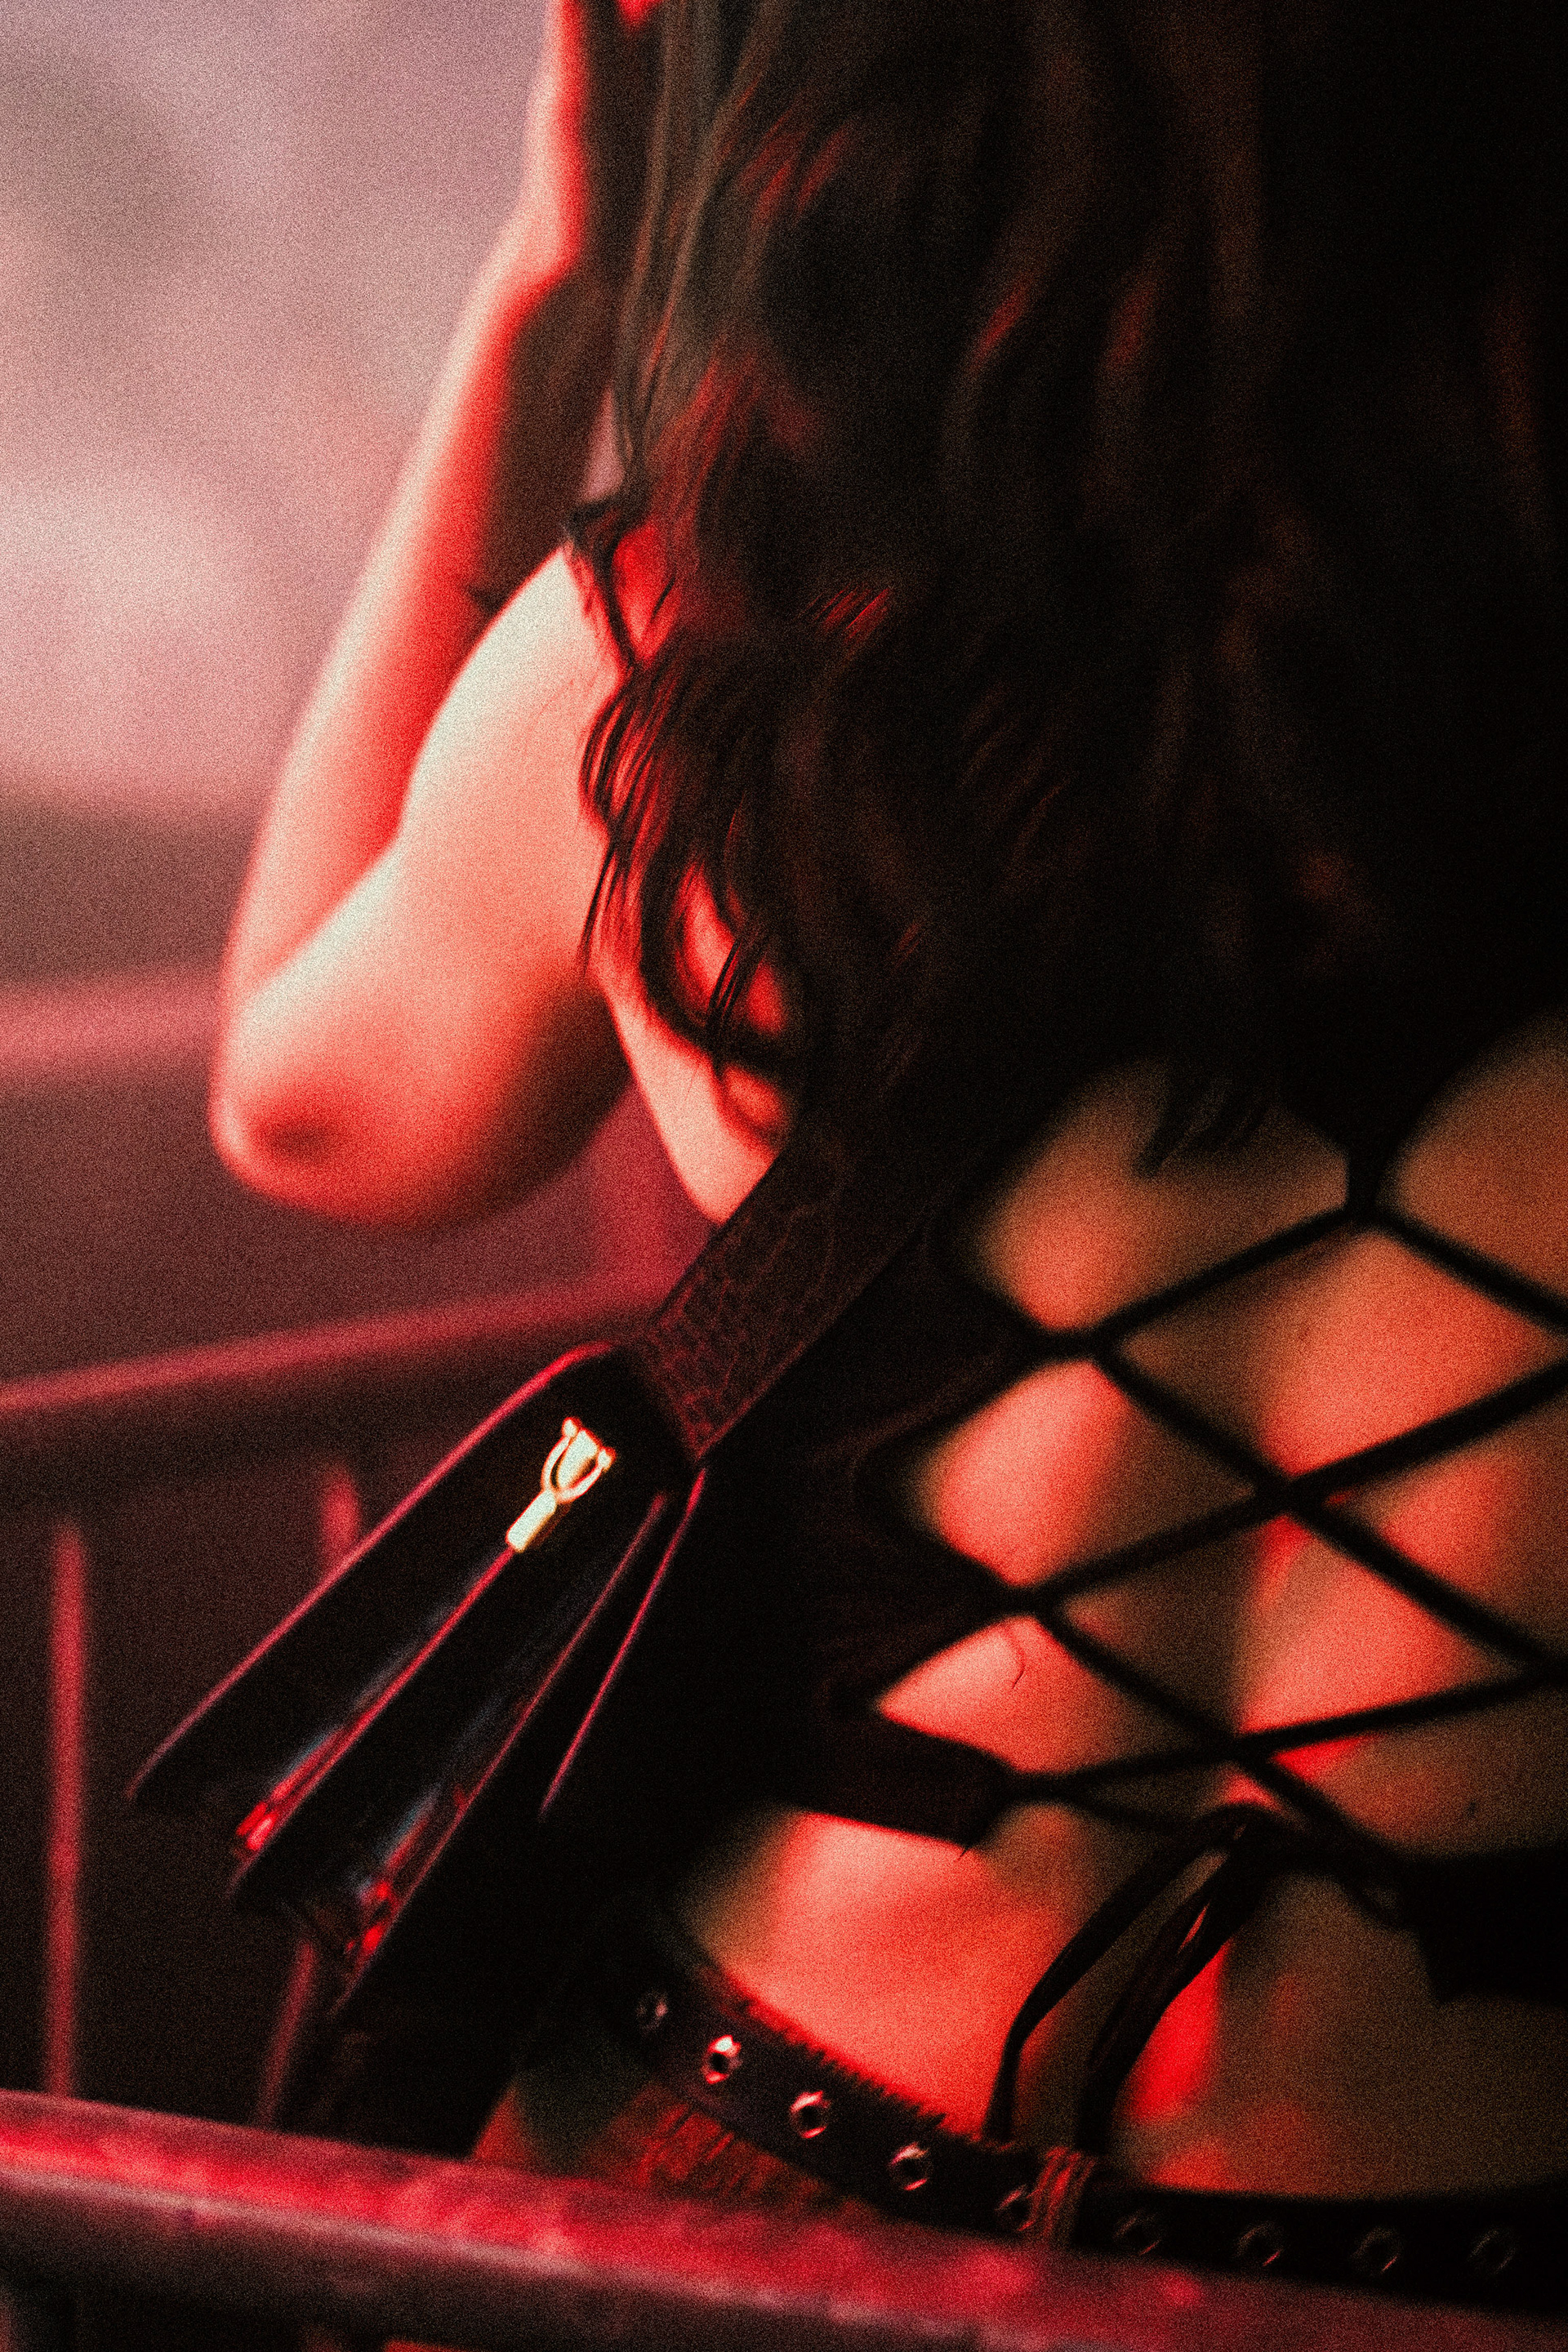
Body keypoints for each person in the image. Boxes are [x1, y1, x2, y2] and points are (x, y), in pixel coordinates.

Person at [210, 0, 1568, 2312]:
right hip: (1424, 2271)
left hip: (712, 2187)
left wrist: (541, 304)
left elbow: (310, 1109)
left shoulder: (681, 672)